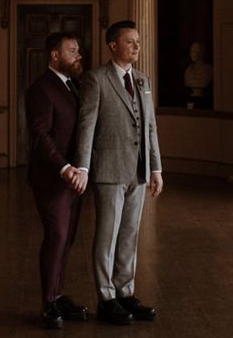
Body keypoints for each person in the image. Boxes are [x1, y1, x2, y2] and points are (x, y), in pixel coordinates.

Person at [75, 20, 163, 325]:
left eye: (138, 41)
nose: (137, 46)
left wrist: (156, 168)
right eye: (130, 42)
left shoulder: (142, 80)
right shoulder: (95, 79)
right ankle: (106, 297)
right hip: (108, 170)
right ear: (113, 45)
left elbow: (150, 127)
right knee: (107, 236)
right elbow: (87, 125)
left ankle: (126, 293)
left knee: (129, 236)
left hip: (139, 171)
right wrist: (83, 166)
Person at [25, 31, 89, 329]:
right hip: (53, 179)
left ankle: (59, 294)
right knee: (57, 237)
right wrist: (65, 169)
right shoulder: (41, 88)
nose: (79, 55)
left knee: (68, 240)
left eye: (78, 50)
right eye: (72, 50)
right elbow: (40, 137)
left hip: (75, 178)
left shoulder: (72, 86)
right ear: (54, 55)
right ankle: (49, 303)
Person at [184, 40, 213, 108]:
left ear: (201, 53)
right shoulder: (188, 70)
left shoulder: (208, 70)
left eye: (194, 51)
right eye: (191, 51)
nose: (191, 54)